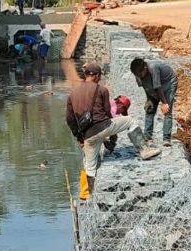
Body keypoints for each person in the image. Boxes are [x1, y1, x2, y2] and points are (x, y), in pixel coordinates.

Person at [67, 64, 158, 198]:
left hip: (87, 135)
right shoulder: (102, 90)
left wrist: (79, 138)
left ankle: (86, 195)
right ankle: (144, 150)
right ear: (96, 76)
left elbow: (70, 119)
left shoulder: (72, 94)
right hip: (102, 127)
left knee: (89, 166)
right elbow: (108, 114)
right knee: (130, 120)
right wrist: (111, 134)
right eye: (100, 76)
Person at [130, 57, 177, 147]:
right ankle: (148, 138)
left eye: (141, 74)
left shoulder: (153, 68)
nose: (139, 76)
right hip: (156, 87)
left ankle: (166, 138)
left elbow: (157, 87)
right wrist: (149, 100)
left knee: (167, 111)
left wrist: (164, 103)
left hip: (168, 84)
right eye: (137, 75)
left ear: (145, 68)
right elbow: (146, 86)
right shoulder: (137, 73)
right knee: (149, 109)